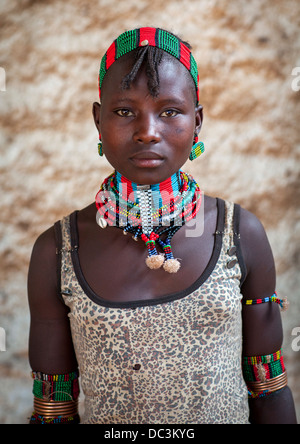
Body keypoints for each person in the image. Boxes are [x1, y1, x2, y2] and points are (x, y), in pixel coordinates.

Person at [27, 27, 297, 424]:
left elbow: (269, 393)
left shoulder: (241, 235)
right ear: (98, 120)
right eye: (123, 111)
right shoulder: (57, 251)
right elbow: (53, 411)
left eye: (170, 111)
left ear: (198, 121)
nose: (147, 131)